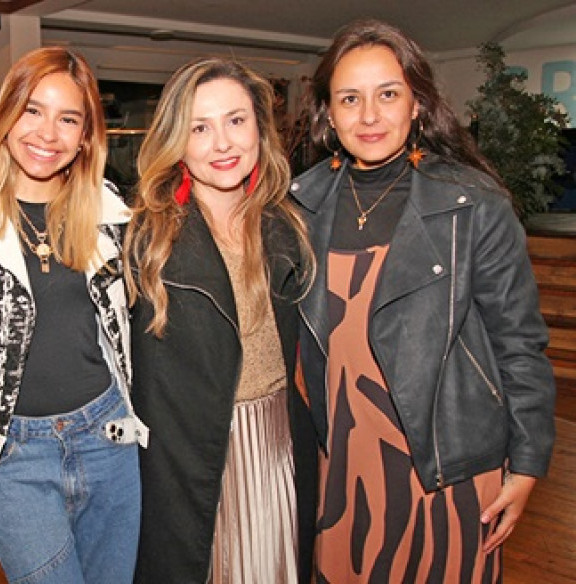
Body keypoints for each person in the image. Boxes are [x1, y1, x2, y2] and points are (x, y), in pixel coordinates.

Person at [294, 19, 556, 582]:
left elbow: (520, 343)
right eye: (350, 98)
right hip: (338, 466)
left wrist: (528, 463)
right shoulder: (299, 206)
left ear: (417, 104)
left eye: (388, 94)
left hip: (446, 468)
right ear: (328, 114)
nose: (369, 115)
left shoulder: (473, 204)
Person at [0, 47, 147, 584]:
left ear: (85, 135)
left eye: (68, 118)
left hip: (107, 435)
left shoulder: (108, 208)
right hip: (10, 450)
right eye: (33, 110)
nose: (48, 133)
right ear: (6, 114)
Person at [125, 57, 318, 583]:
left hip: (279, 440)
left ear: (259, 126)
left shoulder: (290, 224)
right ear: (177, 141)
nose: (223, 143)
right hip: (195, 454)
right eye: (200, 128)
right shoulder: (147, 239)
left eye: (236, 120)